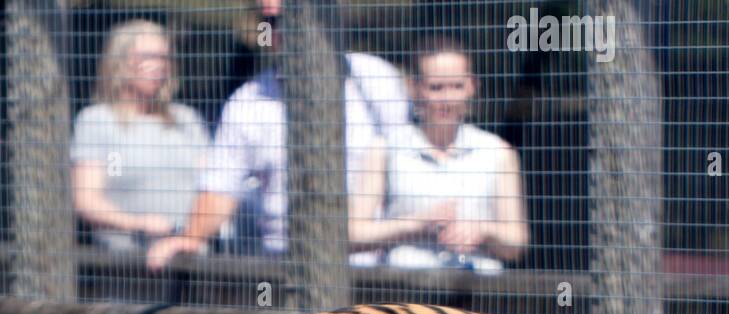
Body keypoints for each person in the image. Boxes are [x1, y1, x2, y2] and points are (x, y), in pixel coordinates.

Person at [146, 0, 406, 269]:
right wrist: (191, 236)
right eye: (269, 23)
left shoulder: (376, 78)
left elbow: (405, 163)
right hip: (287, 265)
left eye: (289, 19)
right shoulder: (248, 101)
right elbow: (221, 184)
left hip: (372, 269)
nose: (280, 31)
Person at [348, 37, 528, 272]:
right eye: (436, 87)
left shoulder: (498, 152)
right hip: (405, 294)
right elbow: (350, 235)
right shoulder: (385, 150)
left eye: (456, 86)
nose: (447, 99)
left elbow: (517, 243)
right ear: (414, 88)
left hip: (478, 295)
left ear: (472, 86)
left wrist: (483, 230)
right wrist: (416, 224)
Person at [71, 20, 210, 254]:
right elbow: (86, 199)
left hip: (192, 264)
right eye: (148, 57)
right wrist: (137, 224)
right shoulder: (98, 120)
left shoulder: (186, 119)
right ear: (120, 63)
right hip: (128, 265)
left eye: (164, 58)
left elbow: (214, 185)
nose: (158, 66)